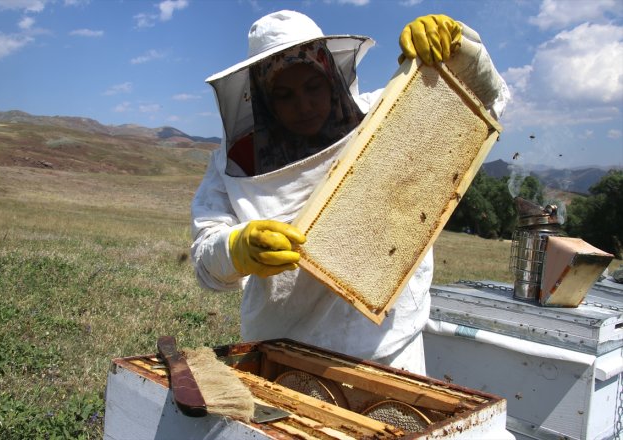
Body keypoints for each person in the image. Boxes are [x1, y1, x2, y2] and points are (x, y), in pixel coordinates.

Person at [191, 10, 509, 374]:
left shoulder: (385, 114)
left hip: (391, 347)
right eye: (284, 95)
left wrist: (461, 48)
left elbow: (487, 98)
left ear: (331, 77)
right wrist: (235, 249)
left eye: (313, 87)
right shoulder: (232, 164)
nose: (304, 105)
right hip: (284, 353)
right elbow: (205, 262)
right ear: (263, 100)